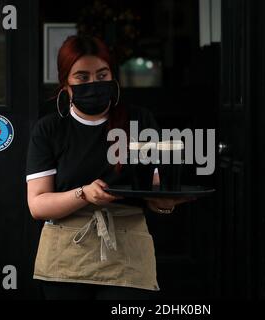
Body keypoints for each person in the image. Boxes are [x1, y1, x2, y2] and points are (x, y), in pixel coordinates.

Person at [26, 35, 194, 300]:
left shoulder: (139, 120)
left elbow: (153, 188)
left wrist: (165, 200)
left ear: (113, 78)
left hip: (128, 254)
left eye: (102, 75)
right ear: (65, 84)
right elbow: (38, 204)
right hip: (65, 259)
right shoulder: (49, 130)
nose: (94, 84)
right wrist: (84, 194)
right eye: (82, 77)